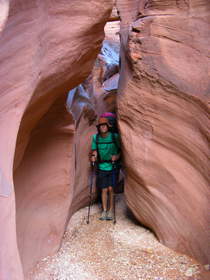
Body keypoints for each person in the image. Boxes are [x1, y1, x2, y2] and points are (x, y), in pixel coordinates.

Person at [90, 117, 121, 220]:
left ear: (108, 126)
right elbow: (95, 150)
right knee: (103, 189)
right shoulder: (96, 138)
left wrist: (117, 156)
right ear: (98, 127)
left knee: (111, 188)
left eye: (104, 125)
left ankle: (110, 211)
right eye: (100, 126)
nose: (102, 127)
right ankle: (104, 211)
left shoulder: (115, 137)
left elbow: (122, 150)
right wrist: (94, 156)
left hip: (113, 165)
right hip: (102, 166)